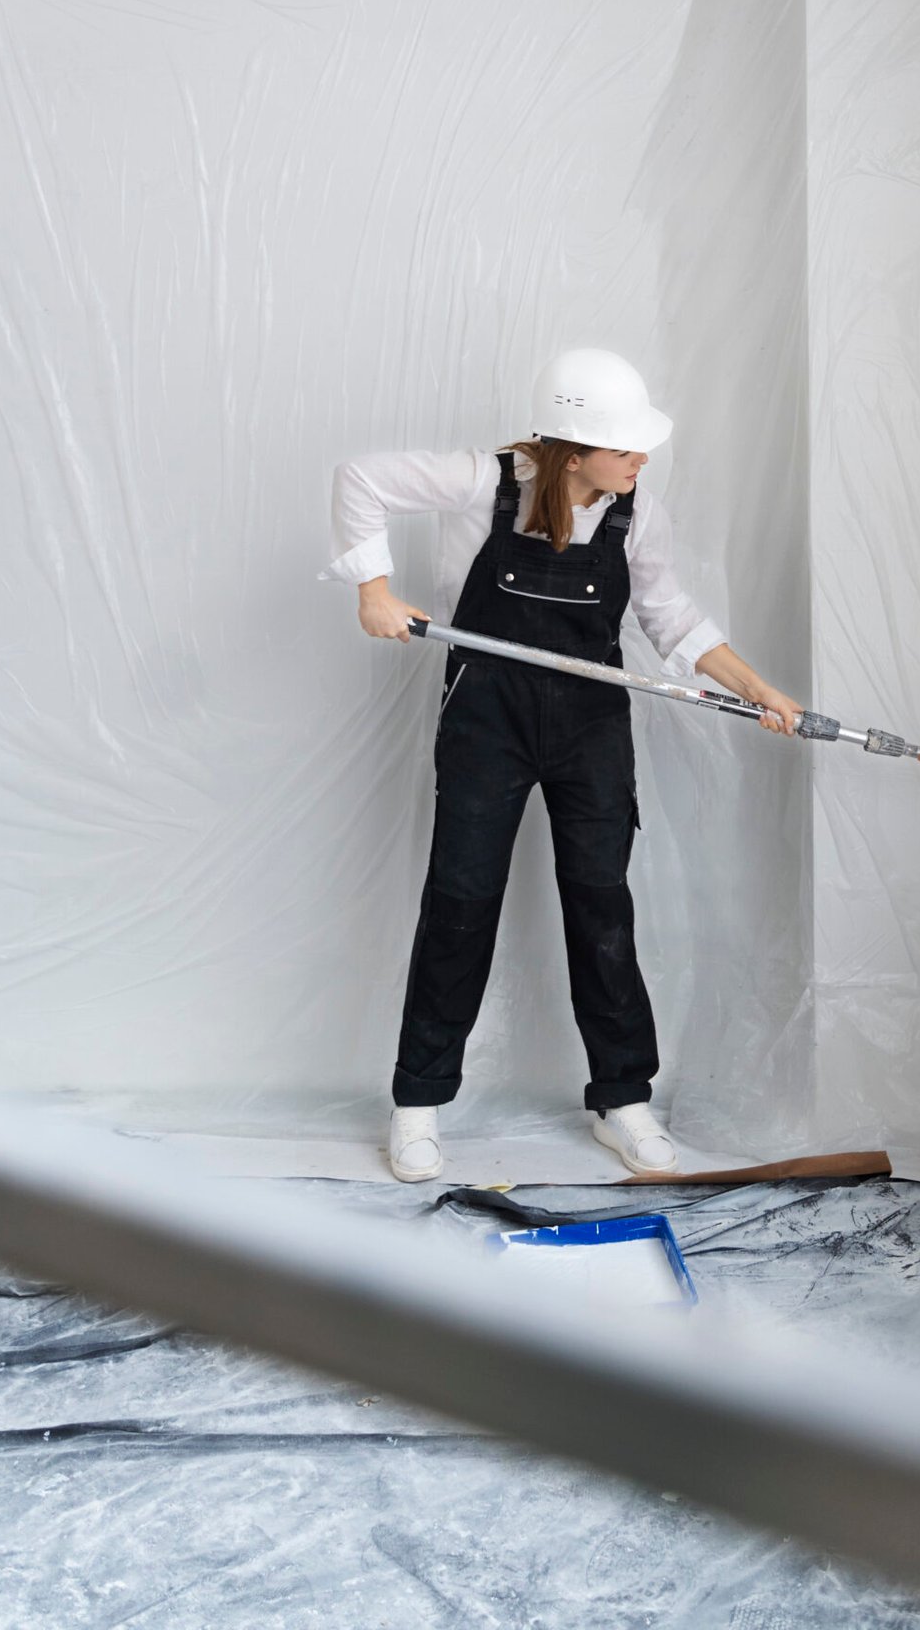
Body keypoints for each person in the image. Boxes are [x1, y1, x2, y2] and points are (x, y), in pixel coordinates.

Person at [327, 348, 803, 1183]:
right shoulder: (486, 482)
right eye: (625, 447)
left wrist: (757, 686)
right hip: (488, 716)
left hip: (590, 723)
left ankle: (624, 1102)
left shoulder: (635, 514)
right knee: (460, 902)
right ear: (572, 450)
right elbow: (360, 478)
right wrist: (373, 586)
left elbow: (670, 615)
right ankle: (417, 1106)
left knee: (601, 907)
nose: (640, 460)